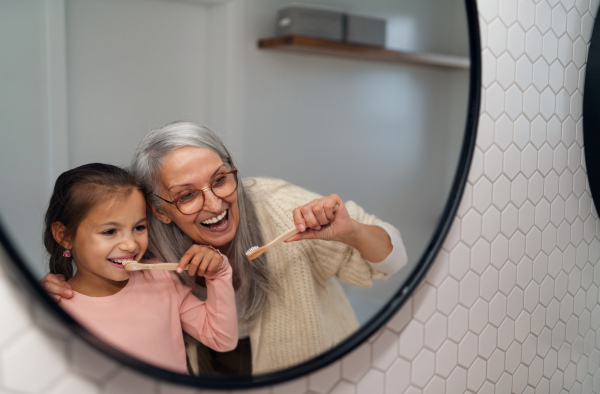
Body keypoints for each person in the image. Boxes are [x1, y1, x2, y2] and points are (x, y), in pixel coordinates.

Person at [42, 121, 408, 375]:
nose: (214, 204)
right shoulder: (141, 244)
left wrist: (352, 232)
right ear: (159, 211)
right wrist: (50, 292)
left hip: (314, 370)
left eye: (220, 180)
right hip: (212, 372)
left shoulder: (282, 209)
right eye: (186, 195)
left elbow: (394, 263)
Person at [42, 162, 238, 375]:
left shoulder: (161, 277)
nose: (131, 245)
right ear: (64, 236)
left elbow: (222, 339)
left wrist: (218, 273)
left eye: (139, 227)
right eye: (110, 231)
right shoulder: (54, 309)